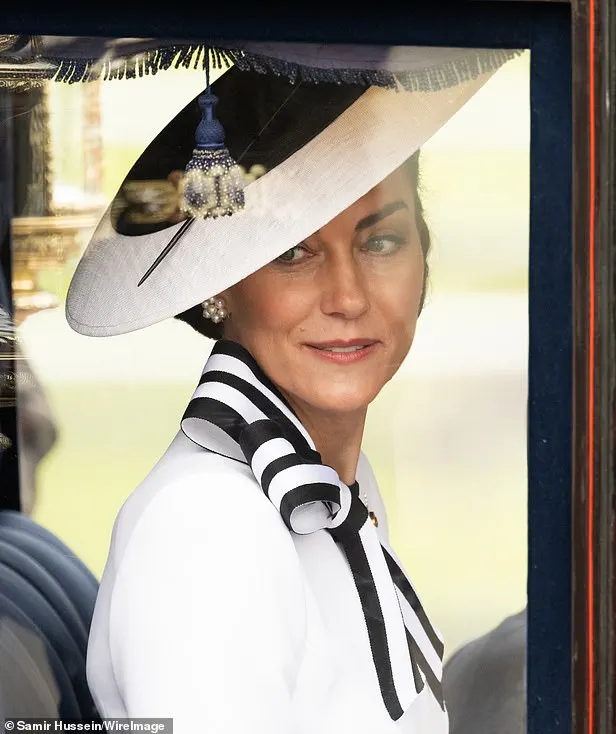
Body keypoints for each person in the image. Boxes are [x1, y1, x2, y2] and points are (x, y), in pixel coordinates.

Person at [64, 44, 518, 733]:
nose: (346, 296)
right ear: (222, 290)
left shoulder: (337, 481)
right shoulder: (208, 525)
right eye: (291, 254)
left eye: (382, 242)